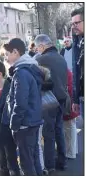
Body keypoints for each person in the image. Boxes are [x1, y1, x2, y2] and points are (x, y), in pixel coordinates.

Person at [3, 38, 44, 176]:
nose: (6, 58)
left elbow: (20, 103)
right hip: (32, 120)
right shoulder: (29, 68)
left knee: (27, 163)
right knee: (34, 159)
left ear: (15, 52)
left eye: (7, 54)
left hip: (24, 124)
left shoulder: (21, 72)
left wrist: (14, 124)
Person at [34, 34, 68, 171]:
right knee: (59, 130)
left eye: (38, 48)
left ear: (42, 46)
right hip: (62, 98)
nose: (37, 50)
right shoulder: (61, 57)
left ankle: (49, 165)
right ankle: (62, 161)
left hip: (49, 99)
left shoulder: (41, 59)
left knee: (48, 134)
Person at [0, 60, 20, 176]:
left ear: (0, 74)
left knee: (10, 155)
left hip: (7, 129)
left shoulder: (11, 88)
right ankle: (2, 170)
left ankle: (14, 172)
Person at [71, 7, 84, 121]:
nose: (74, 26)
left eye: (77, 23)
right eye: (72, 23)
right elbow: (77, 71)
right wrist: (75, 99)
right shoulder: (77, 41)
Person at [63, 69, 79, 159]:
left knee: (69, 129)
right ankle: (73, 150)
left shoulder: (65, 72)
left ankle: (71, 152)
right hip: (71, 102)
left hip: (68, 103)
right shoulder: (68, 71)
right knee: (71, 127)